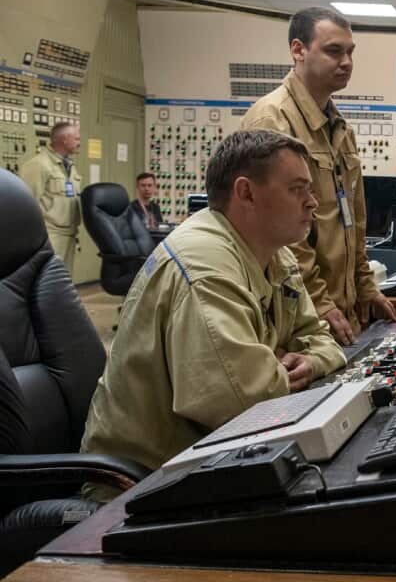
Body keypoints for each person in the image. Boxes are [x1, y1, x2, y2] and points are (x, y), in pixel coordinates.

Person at [79, 130, 347, 499]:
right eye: (297, 189)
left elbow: (320, 339)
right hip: (145, 488)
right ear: (246, 193)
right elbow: (244, 403)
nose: (313, 203)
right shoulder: (206, 266)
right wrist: (281, 365)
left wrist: (313, 361)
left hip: (217, 461)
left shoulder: (275, 253)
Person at [241, 6, 396, 346]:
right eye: (333, 51)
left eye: (350, 52)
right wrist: (322, 304)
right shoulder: (272, 122)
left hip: (342, 312)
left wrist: (366, 287)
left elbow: (353, 221)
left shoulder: (339, 128)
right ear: (298, 50)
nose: (346, 62)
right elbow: (283, 235)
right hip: (301, 317)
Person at [19, 122, 82, 270]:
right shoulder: (38, 165)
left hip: (69, 235)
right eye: (77, 139)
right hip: (49, 237)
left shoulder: (69, 166)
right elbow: (26, 205)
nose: (79, 143)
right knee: (46, 283)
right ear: (65, 139)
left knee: (63, 282)